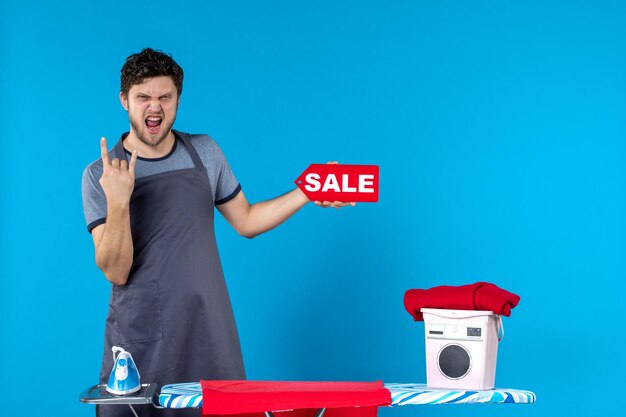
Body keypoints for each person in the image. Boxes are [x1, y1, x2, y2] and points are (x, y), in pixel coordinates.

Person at [82, 48, 352, 417]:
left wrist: (307, 191)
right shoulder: (100, 174)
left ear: (178, 98)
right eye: (143, 97)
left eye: (165, 96)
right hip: (139, 341)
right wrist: (118, 201)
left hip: (206, 330)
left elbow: (247, 221)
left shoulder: (205, 153)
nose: (155, 108)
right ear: (124, 100)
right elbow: (116, 270)